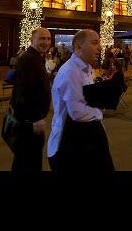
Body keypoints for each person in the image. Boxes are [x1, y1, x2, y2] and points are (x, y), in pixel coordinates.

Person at [48, 29, 114, 173]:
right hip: (73, 144)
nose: (100, 47)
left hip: (86, 138)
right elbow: (78, 113)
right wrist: (98, 110)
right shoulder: (71, 71)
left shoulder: (86, 69)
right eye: (95, 43)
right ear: (78, 47)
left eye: (99, 43)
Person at [9, 28, 52, 172]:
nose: (45, 42)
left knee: (26, 159)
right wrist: (33, 120)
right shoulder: (29, 59)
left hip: (30, 120)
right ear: (32, 40)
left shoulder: (36, 58)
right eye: (41, 39)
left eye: (48, 39)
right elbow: (24, 92)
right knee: (28, 161)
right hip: (30, 122)